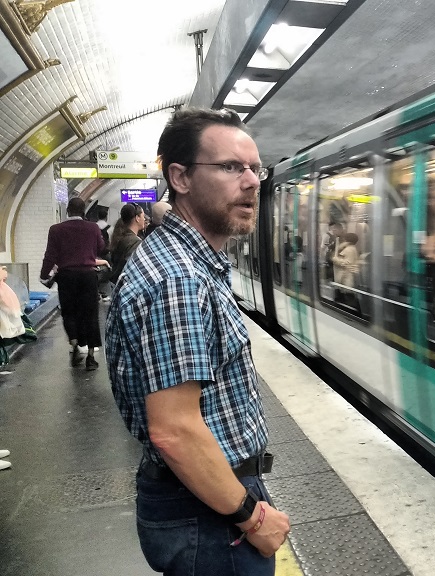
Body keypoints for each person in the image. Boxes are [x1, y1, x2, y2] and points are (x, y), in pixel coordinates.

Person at [105, 108, 290, 575]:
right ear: (180, 177)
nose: (251, 182)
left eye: (255, 168)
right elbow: (175, 430)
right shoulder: (179, 279)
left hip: (207, 502)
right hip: (211, 518)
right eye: (230, 167)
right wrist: (252, 516)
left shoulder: (187, 264)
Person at [40, 197, 107, 370]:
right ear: (84, 211)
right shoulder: (92, 228)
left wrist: (43, 276)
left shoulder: (56, 230)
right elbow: (101, 248)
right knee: (90, 314)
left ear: (68, 210)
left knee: (69, 312)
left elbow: (50, 255)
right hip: (87, 275)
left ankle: (75, 345)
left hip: (67, 276)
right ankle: (91, 357)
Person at [108, 203, 146, 285]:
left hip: (115, 281)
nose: (144, 219)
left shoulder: (119, 237)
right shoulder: (135, 242)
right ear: (137, 218)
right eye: (143, 216)